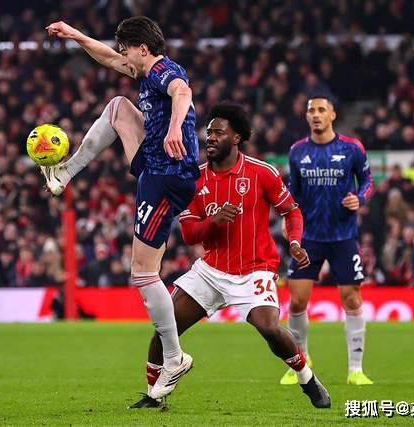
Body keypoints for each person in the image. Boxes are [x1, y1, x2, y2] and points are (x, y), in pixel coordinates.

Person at [130, 102, 330, 409]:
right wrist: (214, 221)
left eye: (218, 132)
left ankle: (307, 379)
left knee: (268, 327)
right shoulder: (192, 180)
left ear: (236, 138)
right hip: (211, 271)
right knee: (165, 326)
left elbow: (291, 211)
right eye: (208, 132)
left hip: (255, 269)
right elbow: (190, 234)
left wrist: (294, 242)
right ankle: (153, 395)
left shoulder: (262, 173)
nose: (210, 137)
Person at [45, 16, 200, 399]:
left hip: (168, 175)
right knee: (117, 108)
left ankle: (174, 357)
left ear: (143, 49)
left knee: (143, 273)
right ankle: (65, 173)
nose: (122, 56)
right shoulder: (143, 70)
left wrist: (175, 128)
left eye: (126, 49)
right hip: (155, 164)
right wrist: (75, 34)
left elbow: (182, 91)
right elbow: (107, 58)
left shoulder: (162, 70)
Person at [280, 94, 375, 386]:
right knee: (297, 301)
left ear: (332, 115)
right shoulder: (297, 151)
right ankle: (301, 361)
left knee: (352, 299)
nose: (316, 114)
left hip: (342, 236)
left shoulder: (352, 148)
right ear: (307, 116)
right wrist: (288, 218)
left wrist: (359, 199)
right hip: (308, 237)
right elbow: (293, 192)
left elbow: (368, 182)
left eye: (322, 110)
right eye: (312, 110)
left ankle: (356, 370)